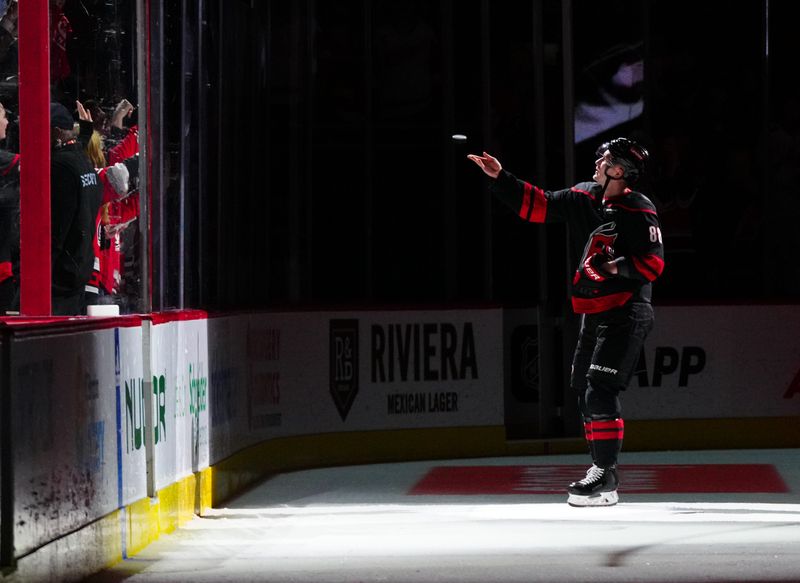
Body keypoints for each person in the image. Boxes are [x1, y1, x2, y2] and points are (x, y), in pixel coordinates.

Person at [468, 137, 665, 507]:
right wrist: (500, 178)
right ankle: (602, 471)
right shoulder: (583, 196)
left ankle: (605, 476)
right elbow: (537, 205)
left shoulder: (639, 210)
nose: (597, 161)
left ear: (619, 170)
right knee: (584, 390)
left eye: (605, 159)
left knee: (599, 389)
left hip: (626, 311)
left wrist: (612, 267)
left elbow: (653, 264)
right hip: (593, 313)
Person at [51, 101, 103, 315]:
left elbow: (56, 232)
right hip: (78, 273)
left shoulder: (60, 167)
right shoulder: (82, 161)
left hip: (57, 284)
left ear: (54, 132)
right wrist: (86, 129)